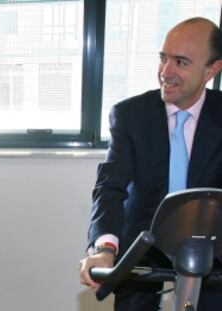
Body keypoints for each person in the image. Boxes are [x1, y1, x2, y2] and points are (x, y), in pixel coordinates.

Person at [79, 17, 222, 311]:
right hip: (143, 251)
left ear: (212, 69)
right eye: (163, 58)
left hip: (211, 251)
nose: (165, 72)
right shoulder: (130, 115)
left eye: (181, 62)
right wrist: (104, 248)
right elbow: (111, 186)